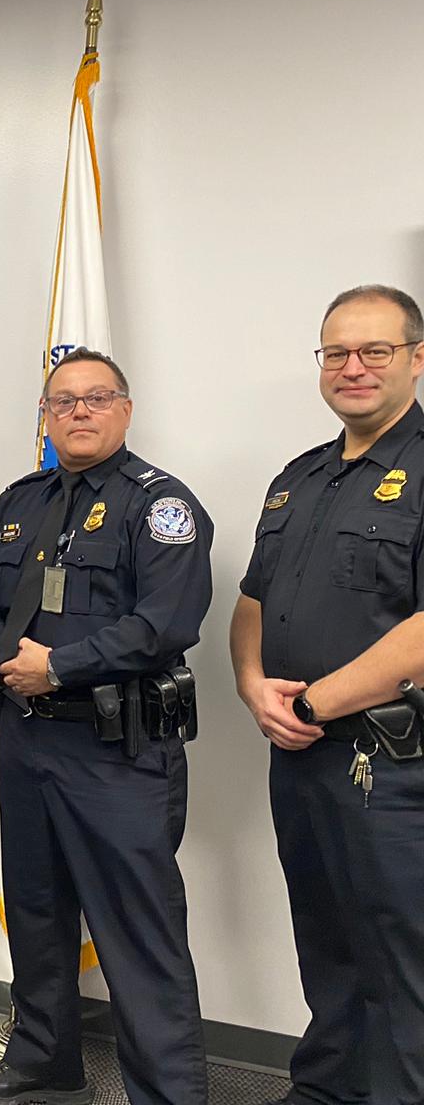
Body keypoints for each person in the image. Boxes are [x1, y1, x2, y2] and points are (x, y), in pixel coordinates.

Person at [0, 347, 211, 1105]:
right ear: (46, 416)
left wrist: (58, 667)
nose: (79, 413)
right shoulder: (21, 501)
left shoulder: (158, 506)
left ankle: (167, 1095)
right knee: (36, 914)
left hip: (116, 752)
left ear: (125, 410)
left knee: (138, 934)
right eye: (63, 402)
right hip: (28, 738)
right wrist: (5, 652)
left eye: (96, 399)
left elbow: (165, 623)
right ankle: (44, 1061)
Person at [229, 285, 424, 1105]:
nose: (353, 367)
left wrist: (313, 704)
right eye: (336, 352)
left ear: (417, 358)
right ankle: (326, 1092)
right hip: (302, 762)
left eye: (375, 350)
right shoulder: (298, 478)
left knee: (401, 959)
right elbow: (253, 603)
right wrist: (253, 688)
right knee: (327, 942)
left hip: (393, 769)